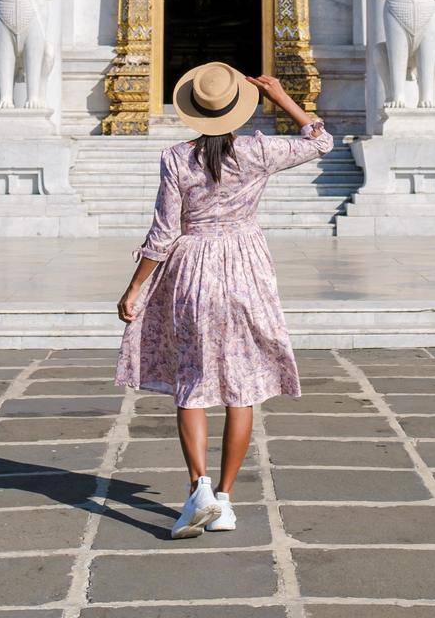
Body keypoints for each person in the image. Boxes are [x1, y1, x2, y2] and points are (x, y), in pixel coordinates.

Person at [115, 62, 333, 538]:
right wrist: (283, 98)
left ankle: (200, 490)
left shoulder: (176, 158)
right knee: (243, 387)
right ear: (240, 110)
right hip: (246, 266)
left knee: (192, 383)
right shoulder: (257, 151)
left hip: (193, 268)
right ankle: (228, 501)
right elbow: (320, 141)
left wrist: (135, 288)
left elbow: (163, 233)